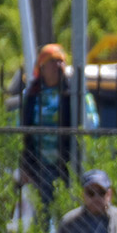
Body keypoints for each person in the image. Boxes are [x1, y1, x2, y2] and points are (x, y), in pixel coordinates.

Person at [21, 43, 99, 210]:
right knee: (43, 211)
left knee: (66, 208)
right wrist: (25, 165)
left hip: (68, 164)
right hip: (39, 165)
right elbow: (22, 131)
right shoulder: (33, 94)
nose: (58, 66)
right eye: (52, 61)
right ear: (42, 67)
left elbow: (91, 123)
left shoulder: (74, 92)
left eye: (61, 61)